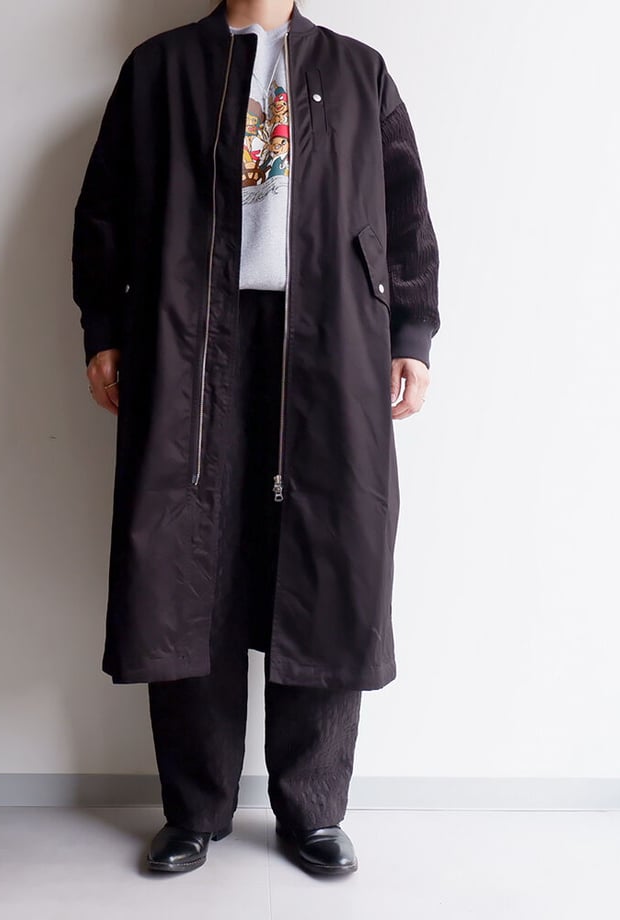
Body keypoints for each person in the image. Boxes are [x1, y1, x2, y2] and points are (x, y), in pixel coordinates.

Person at [71, 0, 439, 875]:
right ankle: (194, 809)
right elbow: (106, 209)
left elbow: (403, 213)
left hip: (331, 338)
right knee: (186, 559)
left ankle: (313, 808)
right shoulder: (160, 70)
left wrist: (411, 333)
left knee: (328, 557)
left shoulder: (358, 71)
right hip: (190, 336)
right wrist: (105, 328)